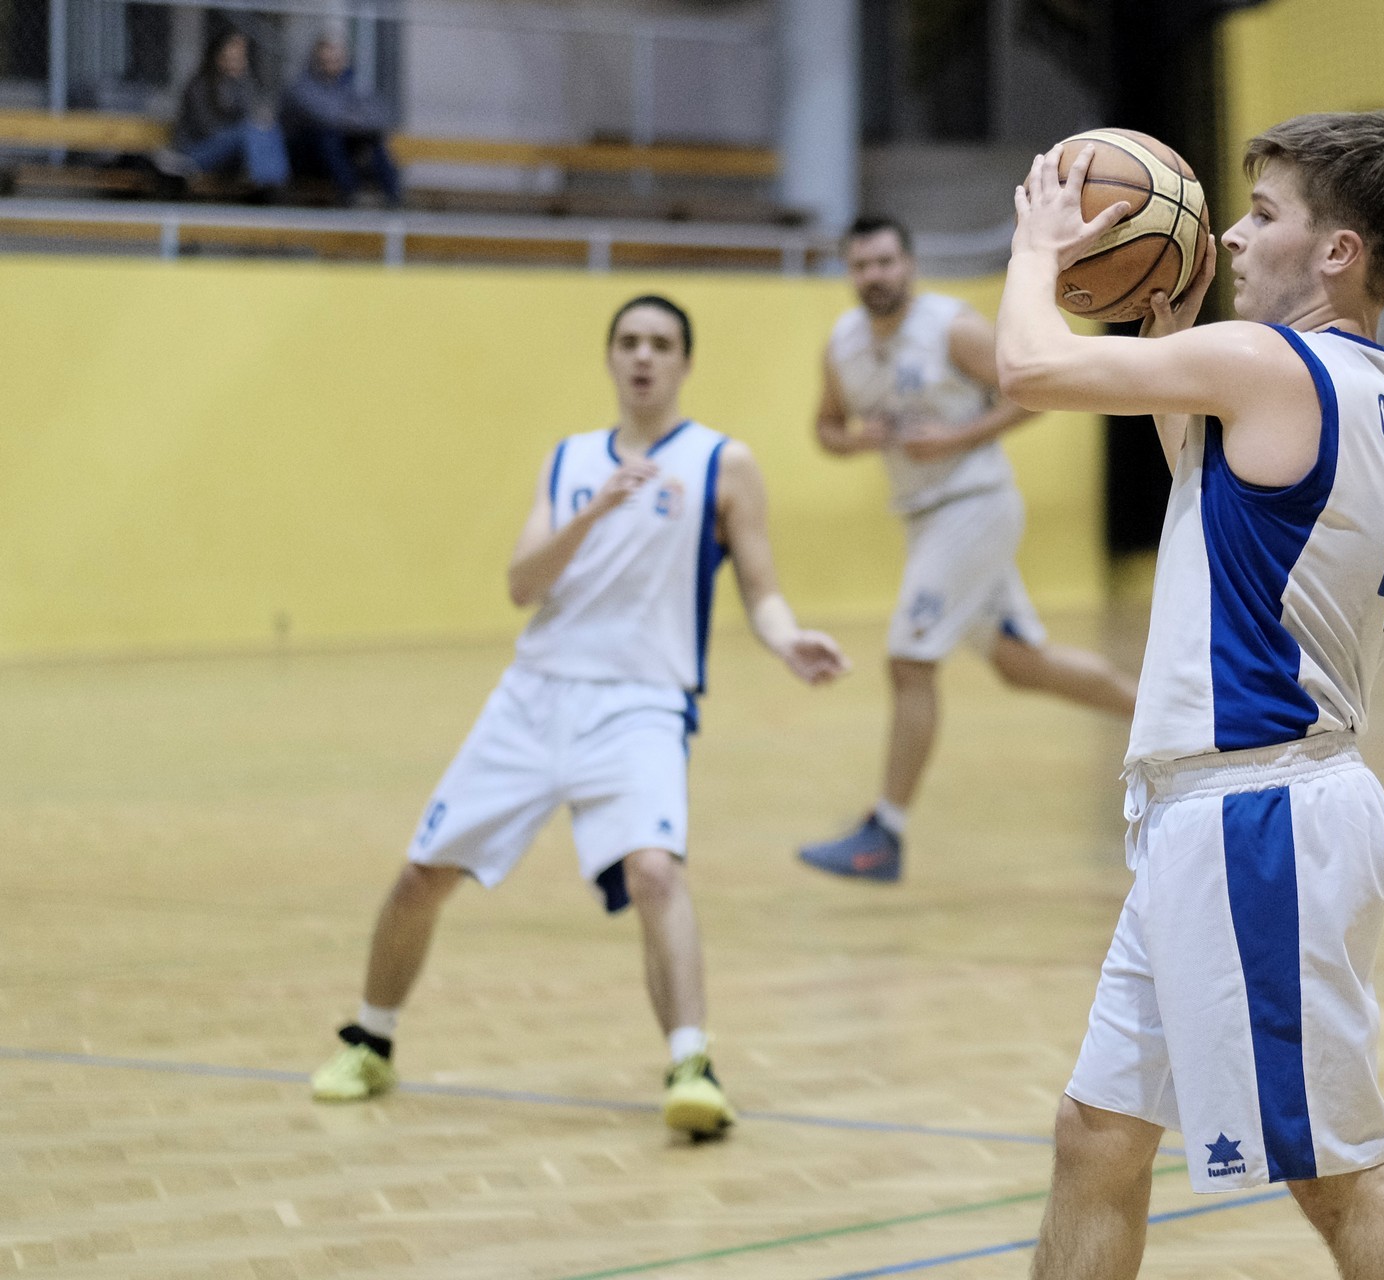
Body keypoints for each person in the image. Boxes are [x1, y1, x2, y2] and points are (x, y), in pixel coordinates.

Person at [996, 112, 1384, 1278]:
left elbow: (1029, 367)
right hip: (1231, 812)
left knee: (1336, 1174)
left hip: (1258, 820)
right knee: (1098, 1135)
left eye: (1263, 213)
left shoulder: (1266, 365)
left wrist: (1039, 251)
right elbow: (1222, 492)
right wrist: (1168, 334)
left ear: (1339, 250)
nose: (1234, 236)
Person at [310, 295, 850, 1138]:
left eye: (661, 343)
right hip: (534, 696)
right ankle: (370, 1041)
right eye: (629, 342)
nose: (644, 356)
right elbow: (522, 584)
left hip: (643, 701)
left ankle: (693, 1066)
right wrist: (596, 509)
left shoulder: (723, 462)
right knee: (422, 877)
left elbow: (762, 589)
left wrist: (787, 642)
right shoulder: (568, 461)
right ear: (610, 358)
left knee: (655, 873)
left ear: (684, 363)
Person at [797, 216, 1138, 883]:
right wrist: (864, 440)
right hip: (924, 519)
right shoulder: (843, 344)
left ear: (909, 264)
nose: (874, 275)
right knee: (1022, 665)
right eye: (861, 265)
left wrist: (956, 438)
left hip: (974, 505)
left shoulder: (951, 327)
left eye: (885, 261)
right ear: (850, 273)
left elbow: (1032, 393)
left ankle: (884, 834)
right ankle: (1168, 714)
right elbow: (826, 428)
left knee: (909, 659)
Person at [283, 36, 403, 208]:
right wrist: (355, 118)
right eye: (325, 61)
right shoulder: (302, 86)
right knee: (327, 136)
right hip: (307, 155)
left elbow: (380, 115)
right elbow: (323, 116)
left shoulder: (352, 83)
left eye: (336, 60)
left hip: (342, 151)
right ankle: (351, 194)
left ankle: (393, 196)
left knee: (372, 139)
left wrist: (354, 120)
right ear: (316, 61)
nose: (331, 65)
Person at [164, 31, 291, 194]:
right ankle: (267, 183)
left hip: (230, 153)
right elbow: (207, 129)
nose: (236, 61)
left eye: (240, 58)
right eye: (232, 57)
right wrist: (237, 133)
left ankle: (274, 181)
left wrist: (243, 80)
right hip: (195, 154)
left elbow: (252, 114)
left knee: (268, 127)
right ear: (218, 56)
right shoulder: (199, 85)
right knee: (249, 129)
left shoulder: (240, 84)